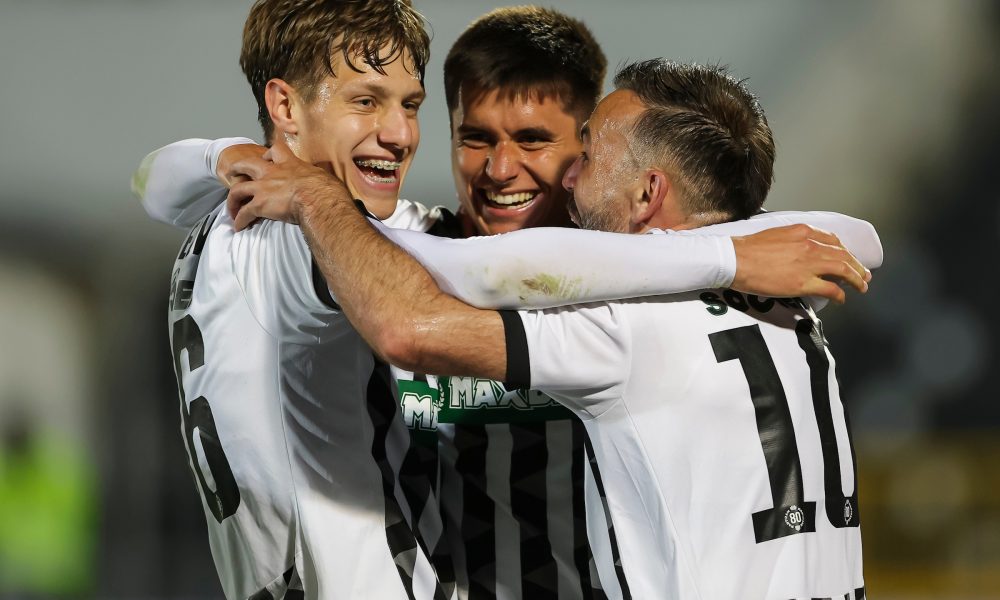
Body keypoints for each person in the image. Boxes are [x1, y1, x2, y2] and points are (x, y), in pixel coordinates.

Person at [223, 59, 877, 599]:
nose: (568, 174)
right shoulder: (795, 289)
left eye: (588, 154)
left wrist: (318, 199)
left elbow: (408, 328)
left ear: (648, 194)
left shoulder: (624, 324)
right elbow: (862, 239)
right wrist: (722, 255)